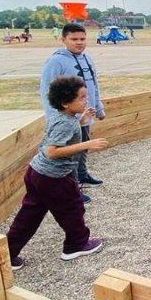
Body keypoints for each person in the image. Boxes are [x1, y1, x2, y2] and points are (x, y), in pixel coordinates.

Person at [5, 76, 105, 270]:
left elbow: (61, 134)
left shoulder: (63, 116)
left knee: (30, 214)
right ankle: (76, 245)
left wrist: (82, 120)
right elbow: (52, 151)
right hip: (54, 177)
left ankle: (8, 253)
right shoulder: (65, 123)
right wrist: (87, 144)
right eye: (81, 98)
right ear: (65, 102)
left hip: (37, 173)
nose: (86, 101)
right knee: (73, 208)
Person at [40, 23, 105, 190]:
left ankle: (82, 174)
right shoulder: (56, 61)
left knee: (84, 144)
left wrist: (98, 107)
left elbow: (94, 86)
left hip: (85, 115)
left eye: (82, 39)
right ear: (64, 39)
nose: (79, 42)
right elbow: (48, 91)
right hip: (66, 117)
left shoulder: (87, 58)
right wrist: (54, 116)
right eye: (74, 39)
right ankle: (72, 186)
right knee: (70, 151)